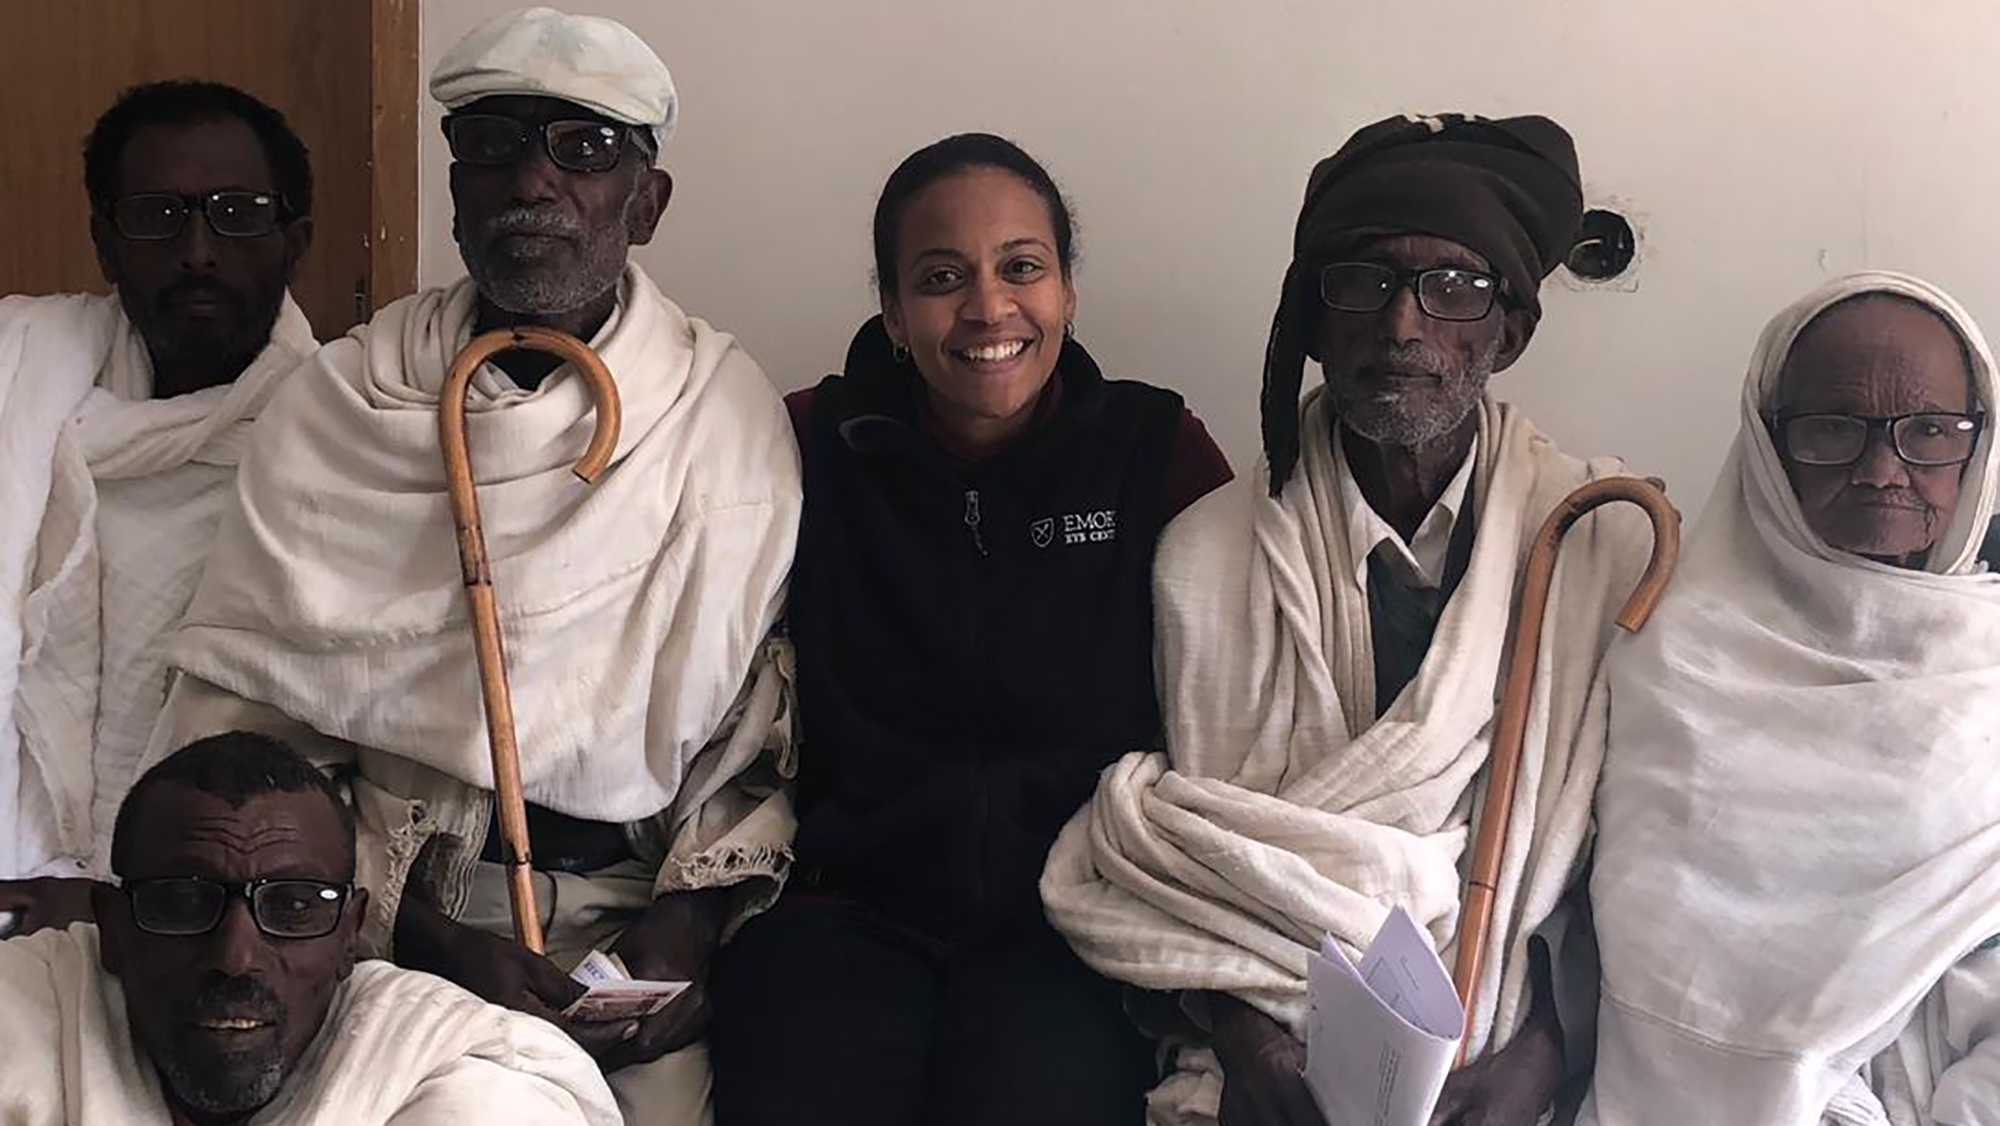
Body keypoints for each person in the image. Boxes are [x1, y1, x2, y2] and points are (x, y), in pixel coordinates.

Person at [143, 9, 801, 1122]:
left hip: (625, 925)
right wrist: (424, 935)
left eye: (584, 149)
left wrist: (685, 926)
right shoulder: (339, 410)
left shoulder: (719, 417)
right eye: (494, 144)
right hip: (378, 919)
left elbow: (752, 724)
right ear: (454, 188)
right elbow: (248, 750)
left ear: (646, 203)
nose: (532, 183)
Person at [1040, 112, 1658, 1126]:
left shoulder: (1598, 541)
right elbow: (1199, 870)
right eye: (1363, 282)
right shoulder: (1206, 555)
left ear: (1509, 328)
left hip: (1505, 1062)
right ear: (1315, 319)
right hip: (1268, 1057)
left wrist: (1542, 1056)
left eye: (1451, 287)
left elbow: (1630, 871)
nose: (1402, 325)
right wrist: (1249, 1044)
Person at [705, 132, 1234, 1126]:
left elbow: (1238, 690)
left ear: (1067, 291)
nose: (987, 308)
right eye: (941, 277)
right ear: (894, 314)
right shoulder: (806, 440)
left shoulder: (1152, 448)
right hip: (843, 907)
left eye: (1020, 268)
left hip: (1074, 918)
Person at [1583, 272, 2000, 1126]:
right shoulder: (1665, 648)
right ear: (1770, 445)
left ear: (1979, 447)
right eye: (1835, 430)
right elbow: (1637, 937)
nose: (1884, 471)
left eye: (1929, 432)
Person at [0, 80, 317, 929]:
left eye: (238, 212)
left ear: (297, 240)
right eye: (157, 215)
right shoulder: (20, 378)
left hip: (225, 921)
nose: (198, 250)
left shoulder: (345, 440)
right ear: (105, 243)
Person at [0, 730, 620, 1124]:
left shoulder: (466, 1076)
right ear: (110, 929)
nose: (236, 957)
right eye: (183, 902)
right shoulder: (25, 1014)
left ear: (351, 934)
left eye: (294, 907)